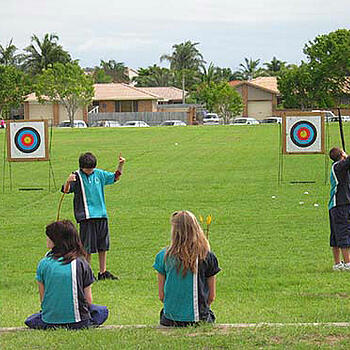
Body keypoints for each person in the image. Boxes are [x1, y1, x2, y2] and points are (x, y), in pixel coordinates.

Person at [25, 220, 109, 329]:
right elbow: (88, 300)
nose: (47, 239)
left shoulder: (43, 264)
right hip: (79, 322)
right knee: (101, 311)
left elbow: (43, 299)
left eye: (49, 237)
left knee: (32, 319)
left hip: (50, 320)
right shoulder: (82, 263)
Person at [62, 152, 125, 280]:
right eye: (87, 169)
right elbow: (65, 190)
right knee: (87, 247)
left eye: (92, 169)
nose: (90, 171)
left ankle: (103, 272)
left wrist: (120, 165)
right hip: (86, 217)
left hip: (101, 214)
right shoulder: (76, 176)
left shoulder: (99, 173)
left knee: (103, 245)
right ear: (81, 167)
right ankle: (87, 272)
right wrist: (68, 182)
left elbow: (115, 177)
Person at [153, 211, 221, 327]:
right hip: (199, 319)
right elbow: (211, 296)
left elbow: (162, 296)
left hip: (170, 319)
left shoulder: (162, 256)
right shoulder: (207, 256)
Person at [328, 147, 350, 271]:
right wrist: (345, 156)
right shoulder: (338, 167)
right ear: (341, 155)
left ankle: (337, 264)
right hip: (340, 206)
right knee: (343, 233)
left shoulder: (340, 168)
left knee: (337, 235)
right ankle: (347, 263)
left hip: (337, 207)